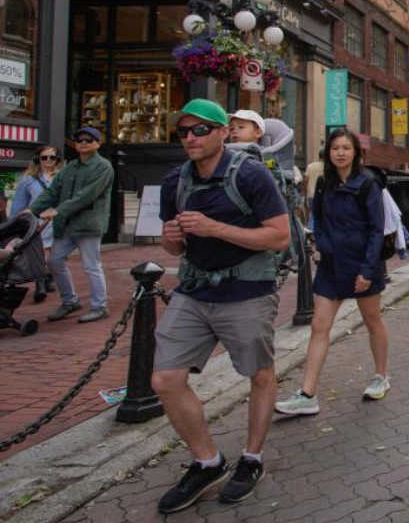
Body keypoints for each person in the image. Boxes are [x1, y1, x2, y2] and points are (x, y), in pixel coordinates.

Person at [152, 100, 291, 513]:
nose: (190, 138)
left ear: (221, 133)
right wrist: (173, 235)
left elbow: (279, 237)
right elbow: (171, 245)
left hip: (246, 291)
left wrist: (214, 228)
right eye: (183, 132)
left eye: (199, 130)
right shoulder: (174, 181)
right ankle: (207, 461)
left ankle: (252, 458)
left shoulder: (250, 174)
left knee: (259, 374)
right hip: (194, 290)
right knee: (165, 380)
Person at [275, 129, 391, 418]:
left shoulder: (368, 184)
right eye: (335, 148)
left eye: (346, 148)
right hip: (331, 264)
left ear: (356, 153)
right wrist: (324, 245)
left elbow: (377, 230)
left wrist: (366, 269)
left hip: (362, 264)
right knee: (319, 325)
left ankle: (381, 375)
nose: (340, 152)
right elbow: (320, 218)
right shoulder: (324, 183)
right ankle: (307, 394)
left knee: (372, 319)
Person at [32, 127, 114, 323]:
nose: (83, 142)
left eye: (88, 139)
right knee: (54, 261)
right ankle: (70, 300)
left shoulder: (103, 167)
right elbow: (52, 192)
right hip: (67, 225)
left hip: (88, 224)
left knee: (91, 266)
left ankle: (100, 306)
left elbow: (86, 195)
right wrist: (32, 210)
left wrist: (58, 210)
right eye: (79, 140)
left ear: (97, 143)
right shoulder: (70, 167)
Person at [12, 145, 60, 302]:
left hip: (58, 221)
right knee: (41, 253)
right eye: (44, 157)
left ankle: (48, 277)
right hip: (40, 223)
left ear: (57, 160)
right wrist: (17, 223)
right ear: (37, 159)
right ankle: (41, 284)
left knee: (54, 255)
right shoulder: (28, 180)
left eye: (51, 157)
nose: (48, 160)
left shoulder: (63, 178)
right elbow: (19, 204)